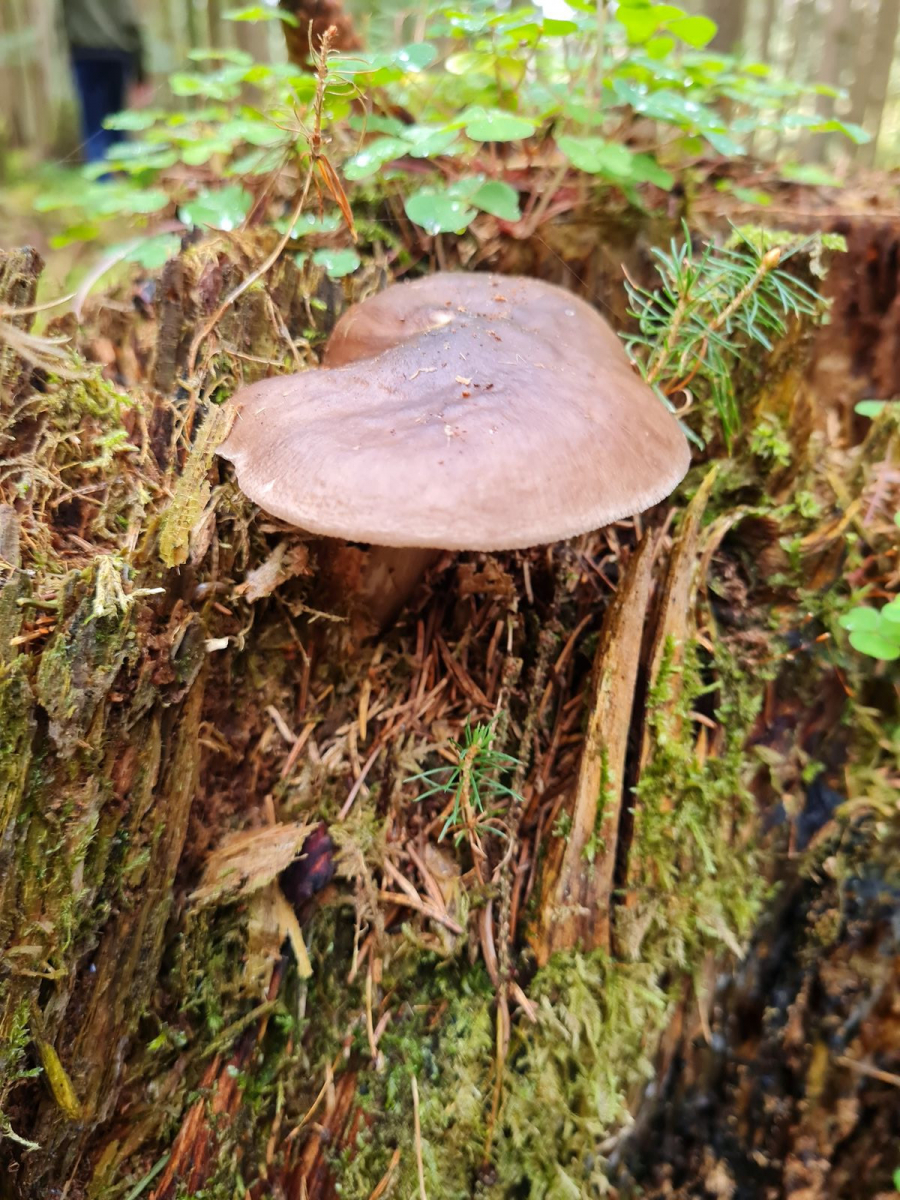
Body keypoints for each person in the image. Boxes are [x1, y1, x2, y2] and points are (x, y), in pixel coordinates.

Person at [60, 0, 149, 165]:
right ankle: (126, 171)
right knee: (117, 120)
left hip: (86, 53)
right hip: (116, 51)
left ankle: (103, 175)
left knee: (95, 124)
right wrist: (140, 72)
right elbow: (131, 21)